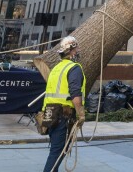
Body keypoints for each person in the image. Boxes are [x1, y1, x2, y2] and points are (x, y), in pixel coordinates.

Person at [42, 36, 85, 172]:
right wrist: (81, 114)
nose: (78, 51)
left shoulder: (56, 68)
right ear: (71, 51)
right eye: (76, 48)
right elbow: (75, 93)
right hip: (63, 115)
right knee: (57, 152)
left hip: (50, 114)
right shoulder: (74, 68)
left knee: (57, 149)